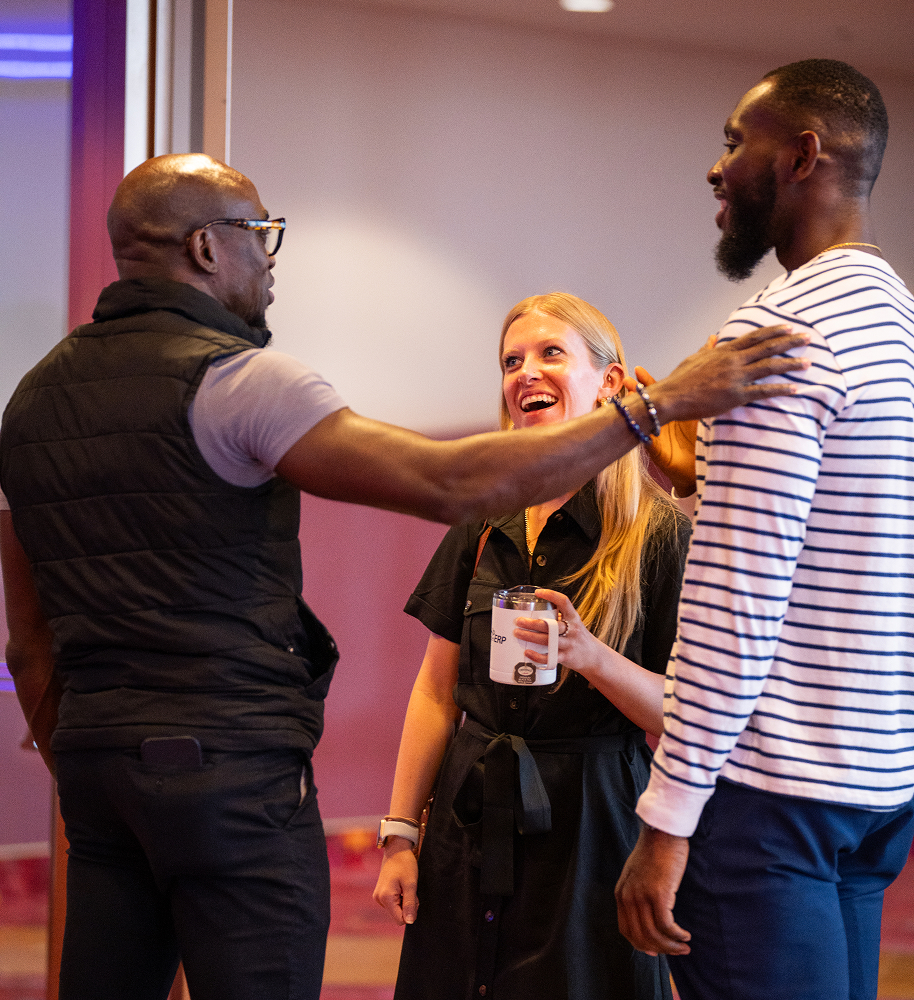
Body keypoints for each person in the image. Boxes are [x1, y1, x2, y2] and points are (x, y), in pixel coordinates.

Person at [0, 153, 806, 1000]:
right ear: (205, 247)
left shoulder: (30, 404)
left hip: (96, 777)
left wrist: (96, 760)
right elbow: (448, 482)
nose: (271, 259)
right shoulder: (238, 381)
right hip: (229, 781)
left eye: (547, 354)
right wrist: (654, 407)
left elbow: (28, 644)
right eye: (259, 234)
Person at [615, 59, 914, 1000]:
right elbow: (851, 541)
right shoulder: (898, 323)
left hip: (770, 797)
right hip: (877, 790)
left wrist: (666, 822)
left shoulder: (776, 336)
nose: (717, 168)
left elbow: (734, 603)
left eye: (735, 142)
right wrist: (701, 482)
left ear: (803, 156)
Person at [373, 291, 692, 1000]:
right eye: (511, 361)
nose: (525, 373)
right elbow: (433, 692)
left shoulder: (661, 535)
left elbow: (683, 714)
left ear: (610, 383)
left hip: (594, 826)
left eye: (551, 353)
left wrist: (589, 656)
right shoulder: (484, 517)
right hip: (472, 811)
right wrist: (400, 836)